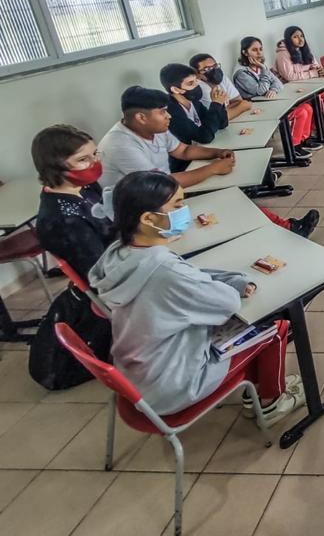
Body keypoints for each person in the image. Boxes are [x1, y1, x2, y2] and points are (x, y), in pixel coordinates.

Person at [89, 171, 304, 424]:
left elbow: (189, 276)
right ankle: (271, 403)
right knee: (273, 326)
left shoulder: (118, 254)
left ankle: (256, 391)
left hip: (138, 376)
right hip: (173, 384)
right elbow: (227, 302)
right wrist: (234, 283)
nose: (185, 211)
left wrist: (224, 280)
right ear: (148, 218)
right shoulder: (164, 270)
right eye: (178, 205)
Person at [96, 86, 318, 237]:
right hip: (146, 213)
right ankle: (284, 230)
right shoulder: (120, 144)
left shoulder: (155, 128)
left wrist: (216, 153)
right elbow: (160, 183)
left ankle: (285, 229)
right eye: (162, 112)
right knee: (228, 200)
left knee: (231, 196)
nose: (169, 116)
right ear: (141, 117)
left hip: (166, 194)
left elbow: (182, 150)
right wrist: (213, 169)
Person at [31, 125, 115, 280]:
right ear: (55, 166)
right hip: (114, 282)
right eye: (83, 159)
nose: (94, 162)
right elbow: (100, 273)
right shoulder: (63, 220)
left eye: (95, 154)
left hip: (126, 256)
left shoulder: (85, 186)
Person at [233, 36, 320, 157]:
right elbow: (259, 90)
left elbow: (278, 83)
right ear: (244, 52)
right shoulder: (241, 73)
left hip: (270, 103)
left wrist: (273, 89)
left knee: (307, 108)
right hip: (256, 109)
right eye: (254, 50)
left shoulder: (259, 66)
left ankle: (302, 141)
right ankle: (293, 147)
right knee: (301, 112)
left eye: (260, 49)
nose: (259, 53)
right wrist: (264, 70)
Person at [160, 63, 228, 171]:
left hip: (200, 154)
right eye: (191, 83)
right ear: (176, 90)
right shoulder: (171, 111)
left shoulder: (194, 102)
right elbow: (205, 137)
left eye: (196, 80)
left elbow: (222, 124)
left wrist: (220, 102)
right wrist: (216, 105)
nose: (197, 85)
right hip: (183, 166)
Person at [272, 26, 324, 130]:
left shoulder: (304, 49)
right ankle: (316, 128)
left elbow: (314, 65)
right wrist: (313, 73)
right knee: (315, 97)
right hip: (291, 88)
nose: (300, 39)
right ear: (288, 39)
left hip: (307, 83)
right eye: (295, 37)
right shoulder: (282, 54)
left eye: (302, 36)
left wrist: (319, 70)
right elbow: (290, 77)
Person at [189, 53, 253, 121]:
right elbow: (217, 119)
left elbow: (238, 100)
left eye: (215, 66)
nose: (214, 70)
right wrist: (243, 106)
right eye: (207, 69)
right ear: (196, 74)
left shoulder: (222, 78)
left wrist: (227, 112)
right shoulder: (199, 88)